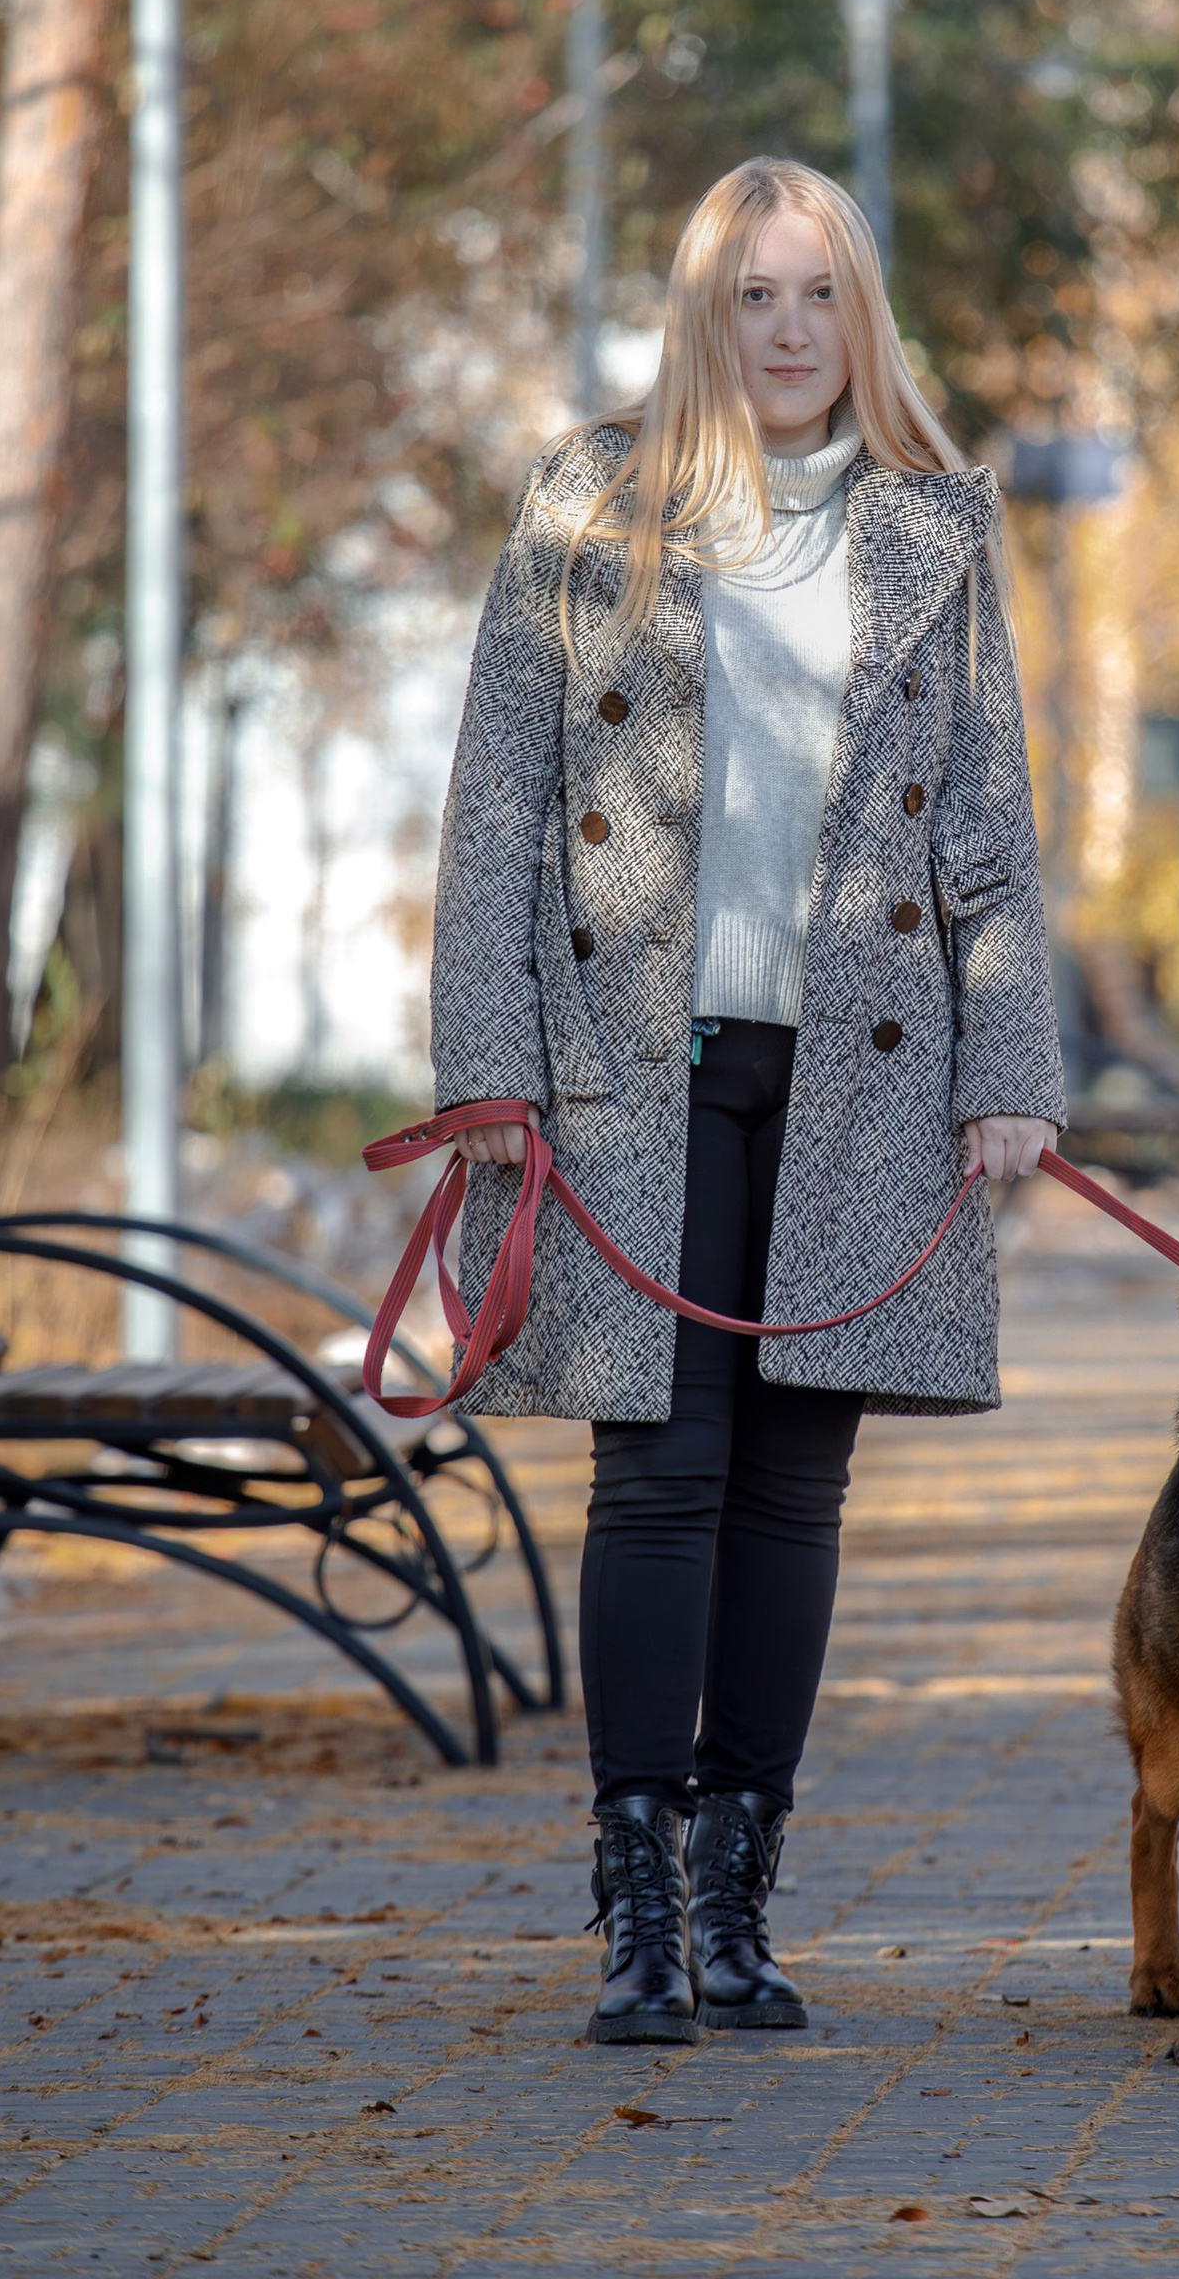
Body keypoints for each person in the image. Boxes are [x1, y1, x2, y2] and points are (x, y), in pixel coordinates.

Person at [430, 157, 1065, 2044]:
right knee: (660, 1469)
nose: (787, 335)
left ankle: (737, 1896)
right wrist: (490, 1067)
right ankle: (632, 1900)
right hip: (635, 1067)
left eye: (817, 300)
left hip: (865, 1071)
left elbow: (997, 836)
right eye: (751, 301)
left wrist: (1010, 1068)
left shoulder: (939, 529)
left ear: (859, 321)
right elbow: (495, 812)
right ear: (702, 319)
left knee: (798, 1486)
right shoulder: (587, 505)